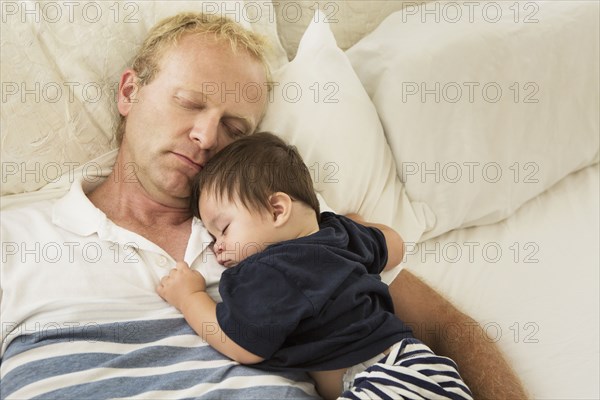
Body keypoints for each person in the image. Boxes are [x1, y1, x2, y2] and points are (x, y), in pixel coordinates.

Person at [0, 12, 526, 400]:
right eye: (189, 103)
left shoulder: (284, 224)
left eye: (234, 129)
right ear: (130, 92)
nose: (206, 136)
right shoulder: (16, 239)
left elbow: (440, 327)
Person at [156, 132, 474, 400]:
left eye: (223, 228)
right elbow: (395, 246)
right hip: (421, 364)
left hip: (379, 380)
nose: (217, 246)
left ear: (278, 209)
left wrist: (189, 297)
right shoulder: (339, 233)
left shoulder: (269, 271)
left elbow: (241, 343)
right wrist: (360, 224)